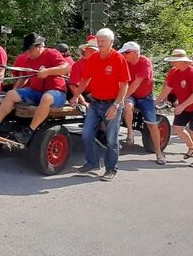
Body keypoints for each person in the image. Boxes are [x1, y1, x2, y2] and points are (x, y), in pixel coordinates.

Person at [0, 33, 69, 145]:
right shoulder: (29, 59)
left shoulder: (52, 53)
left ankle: (29, 131)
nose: (28, 53)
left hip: (56, 92)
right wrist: (14, 91)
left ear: (39, 46)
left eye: (30, 50)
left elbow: (66, 68)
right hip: (35, 91)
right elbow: (24, 78)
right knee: (11, 94)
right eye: (26, 50)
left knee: (46, 98)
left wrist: (48, 71)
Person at [71, 28, 131, 181]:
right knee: (86, 134)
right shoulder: (93, 58)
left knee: (111, 139)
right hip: (95, 102)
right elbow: (85, 79)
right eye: (99, 41)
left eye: (104, 41)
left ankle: (111, 169)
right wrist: (76, 96)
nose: (100, 43)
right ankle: (92, 163)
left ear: (111, 42)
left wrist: (116, 105)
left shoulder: (118, 58)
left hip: (112, 103)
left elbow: (124, 85)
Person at [158, 48, 193, 168]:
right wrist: (156, 101)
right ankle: (191, 147)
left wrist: (182, 106)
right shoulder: (175, 73)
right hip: (184, 106)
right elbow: (167, 89)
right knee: (178, 128)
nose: (172, 62)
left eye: (175, 60)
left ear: (183, 61)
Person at [118, 41, 164, 165]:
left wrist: (123, 96)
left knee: (152, 125)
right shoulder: (125, 62)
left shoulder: (145, 62)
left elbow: (137, 82)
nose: (124, 55)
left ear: (135, 53)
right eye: (123, 53)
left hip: (145, 97)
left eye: (126, 52)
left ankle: (158, 152)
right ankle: (130, 132)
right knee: (127, 106)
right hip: (132, 95)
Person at [68, 35, 98, 107]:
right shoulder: (78, 65)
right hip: (83, 94)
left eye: (95, 51)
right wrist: (83, 101)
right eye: (91, 51)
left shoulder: (99, 63)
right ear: (85, 50)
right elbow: (73, 86)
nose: (94, 53)